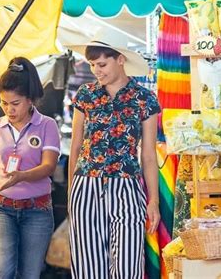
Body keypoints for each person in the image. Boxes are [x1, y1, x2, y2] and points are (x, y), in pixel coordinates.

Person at [68, 31, 161, 278]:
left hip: (128, 187)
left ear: (120, 59)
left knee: (128, 267)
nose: (96, 71)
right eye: (92, 65)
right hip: (85, 185)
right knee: (88, 266)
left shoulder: (145, 99)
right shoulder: (85, 95)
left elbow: (149, 156)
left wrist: (154, 201)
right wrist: (71, 193)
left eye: (101, 64)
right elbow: (75, 147)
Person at [0, 57, 61, 279]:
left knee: (29, 274)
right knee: (2, 270)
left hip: (37, 210)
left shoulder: (47, 125)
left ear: (30, 100)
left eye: (15, 103)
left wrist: (22, 176)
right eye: (3, 103)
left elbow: (49, 166)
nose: (9, 110)